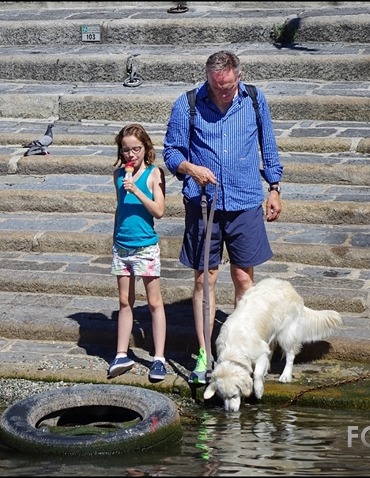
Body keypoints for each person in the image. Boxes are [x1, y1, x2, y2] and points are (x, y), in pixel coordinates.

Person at [162, 50, 283, 384]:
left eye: (227, 87)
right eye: (216, 87)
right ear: (208, 79)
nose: (222, 93)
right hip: (204, 202)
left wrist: (274, 186)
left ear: (238, 77)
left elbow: (268, 144)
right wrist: (190, 168)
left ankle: (241, 350)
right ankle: (204, 353)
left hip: (244, 199)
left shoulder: (255, 100)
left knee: (244, 278)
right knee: (205, 278)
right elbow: (171, 152)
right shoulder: (186, 103)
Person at [108, 123, 169, 382]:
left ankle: (158, 357)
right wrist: (114, 237)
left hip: (145, 245)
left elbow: (159, 210)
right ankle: (121, 353)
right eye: (125, 150)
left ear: (146, 149)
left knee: (154, 301)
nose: (130, 155)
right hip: (122, 245)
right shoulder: (118, 175)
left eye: (136, 149)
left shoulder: (155, 174)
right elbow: (119, 209)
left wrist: (137, 190)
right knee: (125, 301)